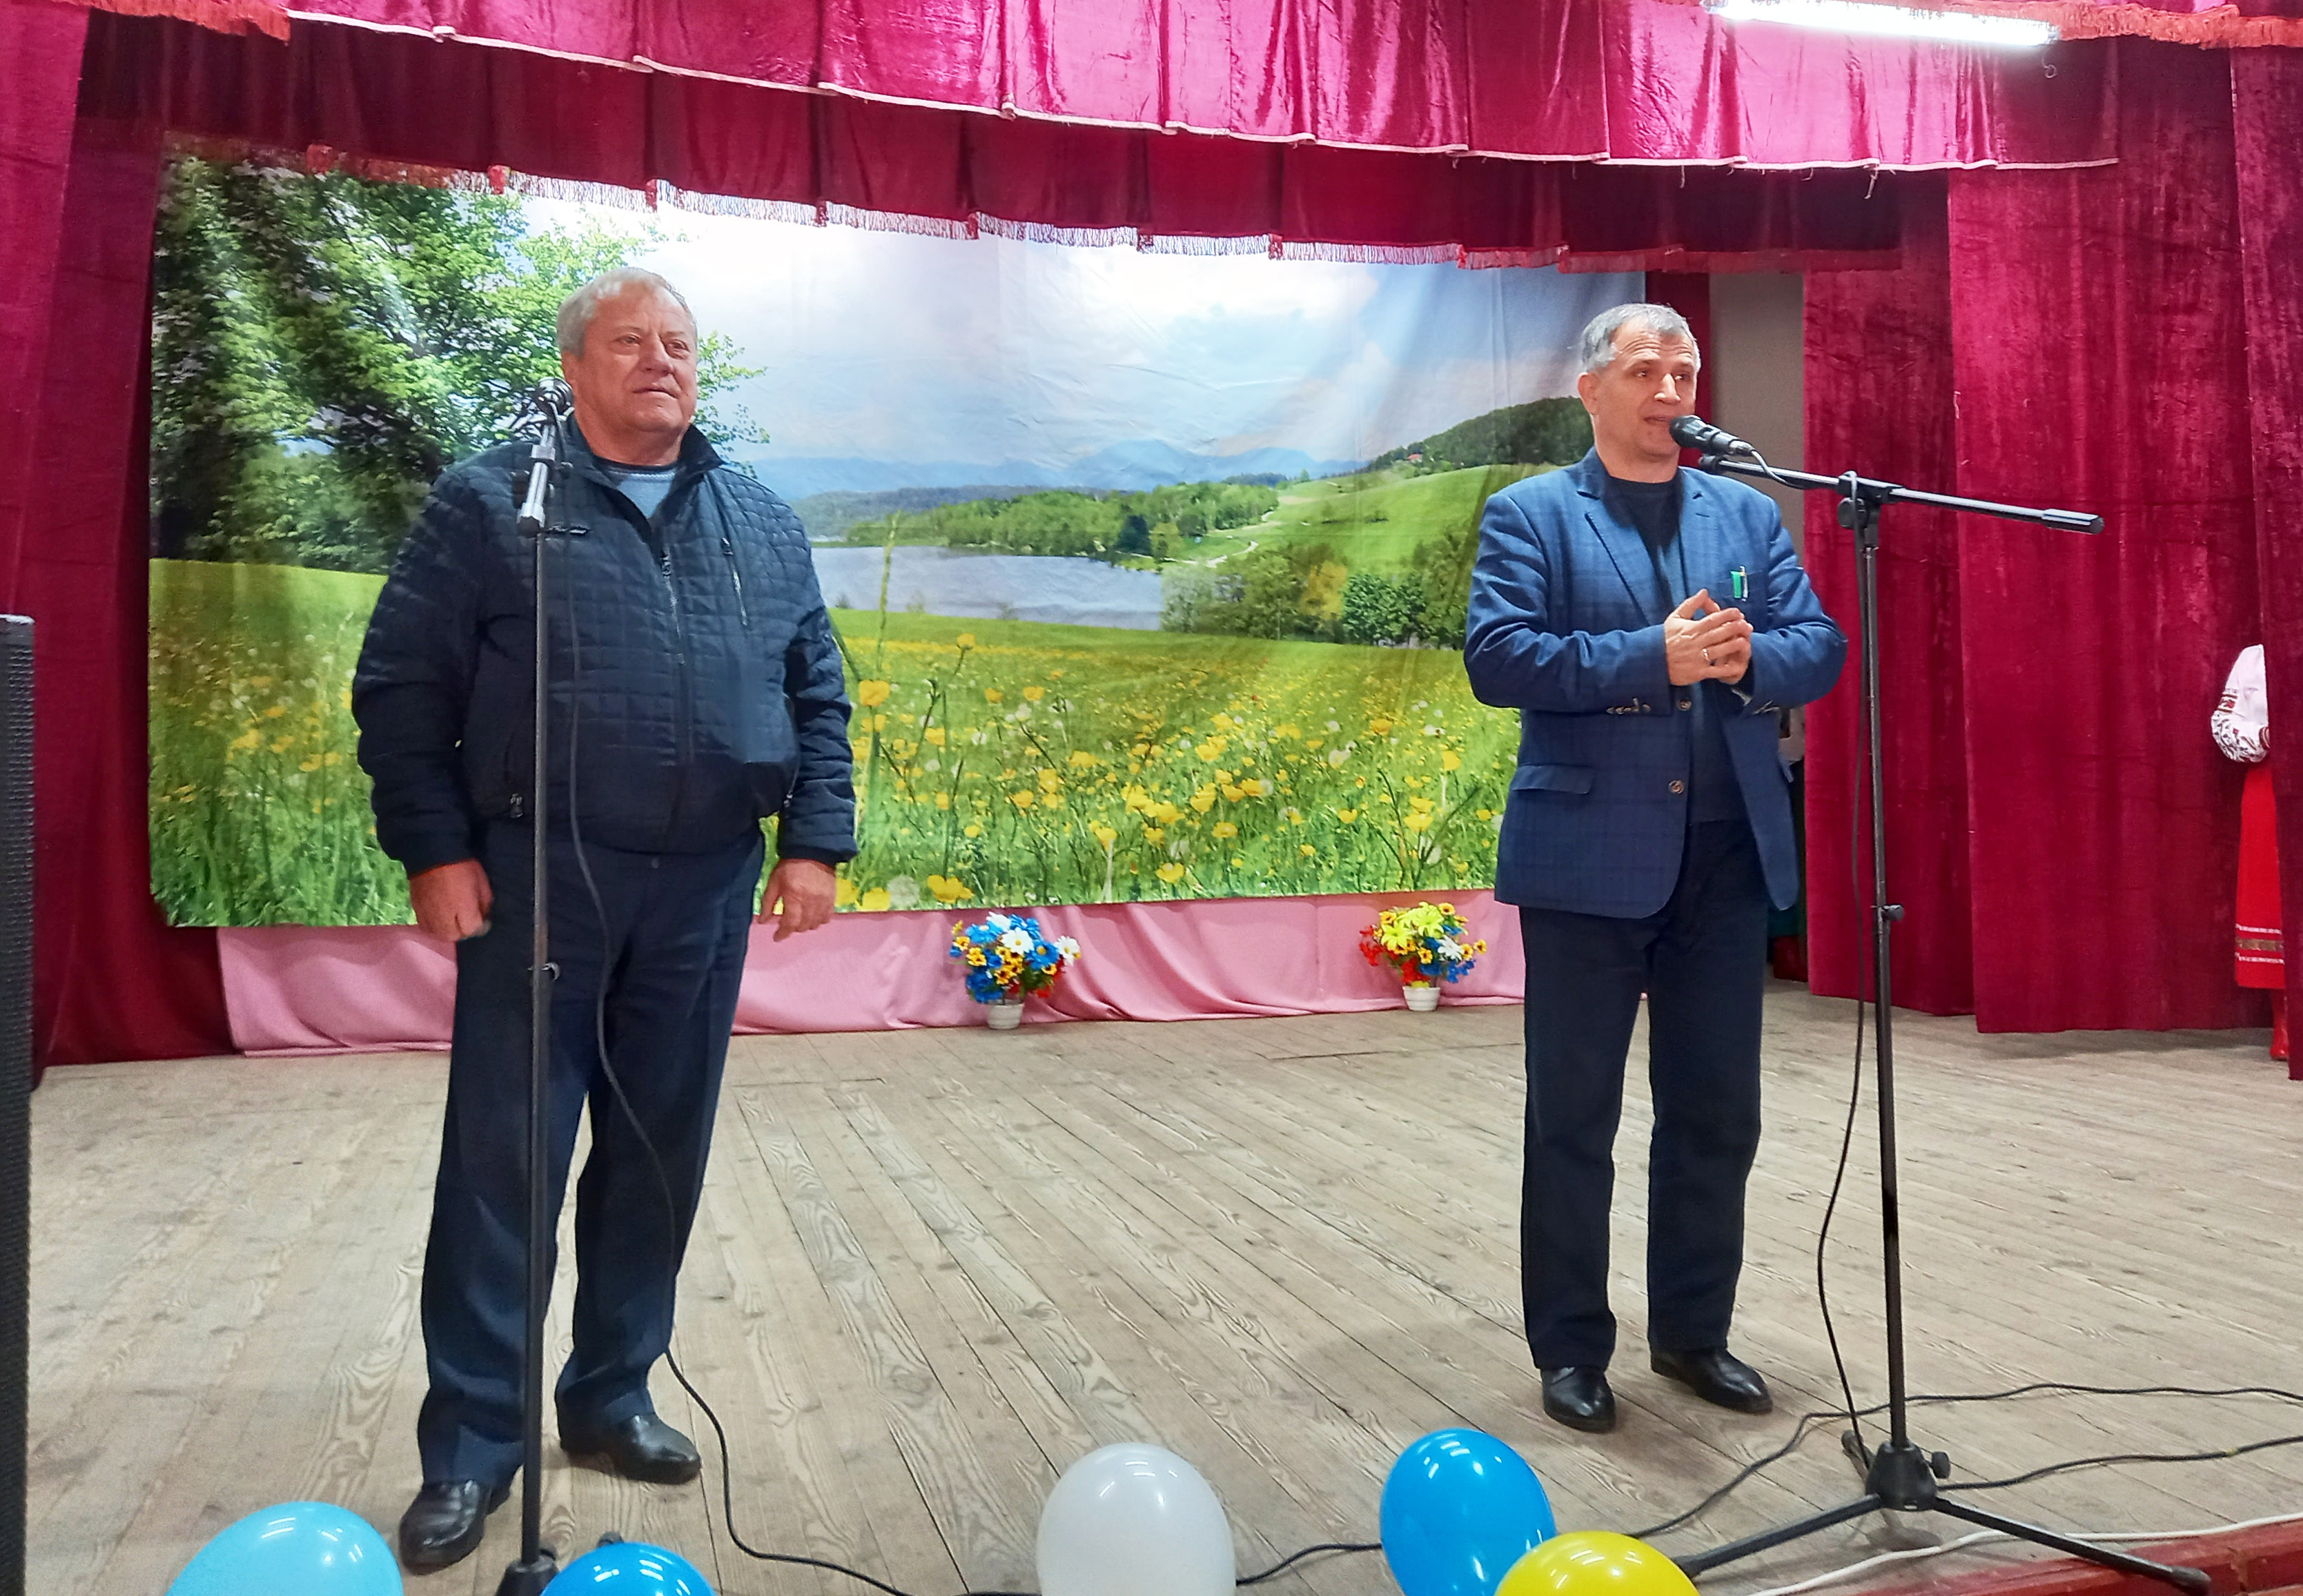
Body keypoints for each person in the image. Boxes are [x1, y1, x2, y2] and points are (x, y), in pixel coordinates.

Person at [353, 267, 855, 1570]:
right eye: (629, 341)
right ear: (574, 367)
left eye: (678, 342)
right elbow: (401, 685)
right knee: (505, 1161)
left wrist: (814, 841)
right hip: (537, 880)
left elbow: (818, 689)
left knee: (657, 1150)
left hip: (706, 885)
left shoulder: (760, 519)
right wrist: (435, 848)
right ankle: (473, 1447)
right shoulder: (493, 503)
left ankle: (611, 1394)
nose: (660, 361)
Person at [1464, 303, 1847, 1433]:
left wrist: (1746, 657)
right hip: (1585, 861)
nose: (1670, 390)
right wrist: (1655, 656)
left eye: (1682, 371)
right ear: (1591, 389)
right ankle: (1571, 1349)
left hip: (1724, 862)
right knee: (1572, 1120)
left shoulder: (1743, 511)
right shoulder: (1531, 513)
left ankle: (1692, 1335)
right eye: (1645, 371)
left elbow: (1817, 645)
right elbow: (1499, 658)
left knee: (1716, 1115)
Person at [2213, 643, 2288, 1070]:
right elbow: (2224, 722)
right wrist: (2265, 736)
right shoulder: (2255, 657)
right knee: (2273, 896)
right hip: (2272, 782)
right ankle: (2287, 1023)